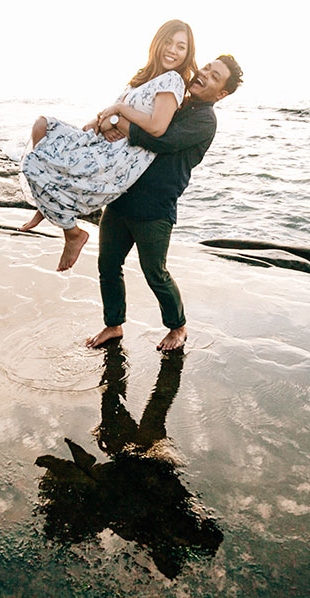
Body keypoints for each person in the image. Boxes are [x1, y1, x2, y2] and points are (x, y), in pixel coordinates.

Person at [85, 55, 243, 351]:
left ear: (221, 93)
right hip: (123, 196)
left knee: (155, 272)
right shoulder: (176, 100)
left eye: (215, 76)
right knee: (108, 264)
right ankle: (113, 325)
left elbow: (162, 139)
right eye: (206, 67)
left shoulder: (205, 120)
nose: (204, 74)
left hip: (155, 208)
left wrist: (119, 119)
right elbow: (146, 117)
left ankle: (178, 326)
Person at [19, 20, 197, 271]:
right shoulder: (143, 77)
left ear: (188, 53)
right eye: (168, 42)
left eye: (181, 47)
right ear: (157, 43)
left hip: (121, 157)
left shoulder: (173, 81)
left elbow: (157, 127)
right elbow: (109, 113)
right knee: (42, 125)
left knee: (34, 164)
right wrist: (102, 121)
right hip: (104, 140)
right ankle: (47, 204)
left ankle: (72, 232)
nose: (173, 50)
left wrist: (119, 113)